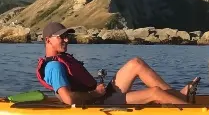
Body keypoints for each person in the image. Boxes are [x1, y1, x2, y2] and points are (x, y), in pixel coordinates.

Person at [36, 21, 194, 106]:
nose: (66, 40)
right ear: (48, 40)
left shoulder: (62, 59)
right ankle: (193, 113)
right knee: (154, 92)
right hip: (97, 103)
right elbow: (68, 99)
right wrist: (95, 94)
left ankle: (177, 97)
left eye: (66, 36)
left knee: (136, 63)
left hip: (101, 95)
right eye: (61, 37)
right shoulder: (54, 67)